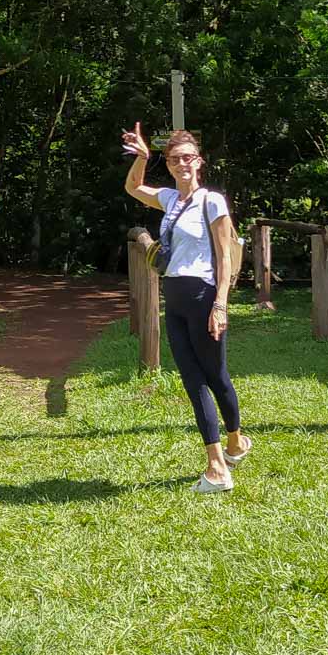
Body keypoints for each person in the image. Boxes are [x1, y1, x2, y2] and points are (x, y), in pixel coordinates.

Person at [121, 121, 251, 492]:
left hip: (202, 296)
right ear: (170, 163)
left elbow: (225, 257)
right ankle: (221, 460)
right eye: (176, 159)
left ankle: (232, 447)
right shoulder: (167, 199)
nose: (183, 164)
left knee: (215, 377)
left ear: (200, 161)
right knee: (192, 381)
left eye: (189, 157)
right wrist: (142, 157)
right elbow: (132, 187)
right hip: (174, 296)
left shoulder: (212, 201)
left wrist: (221, 305)